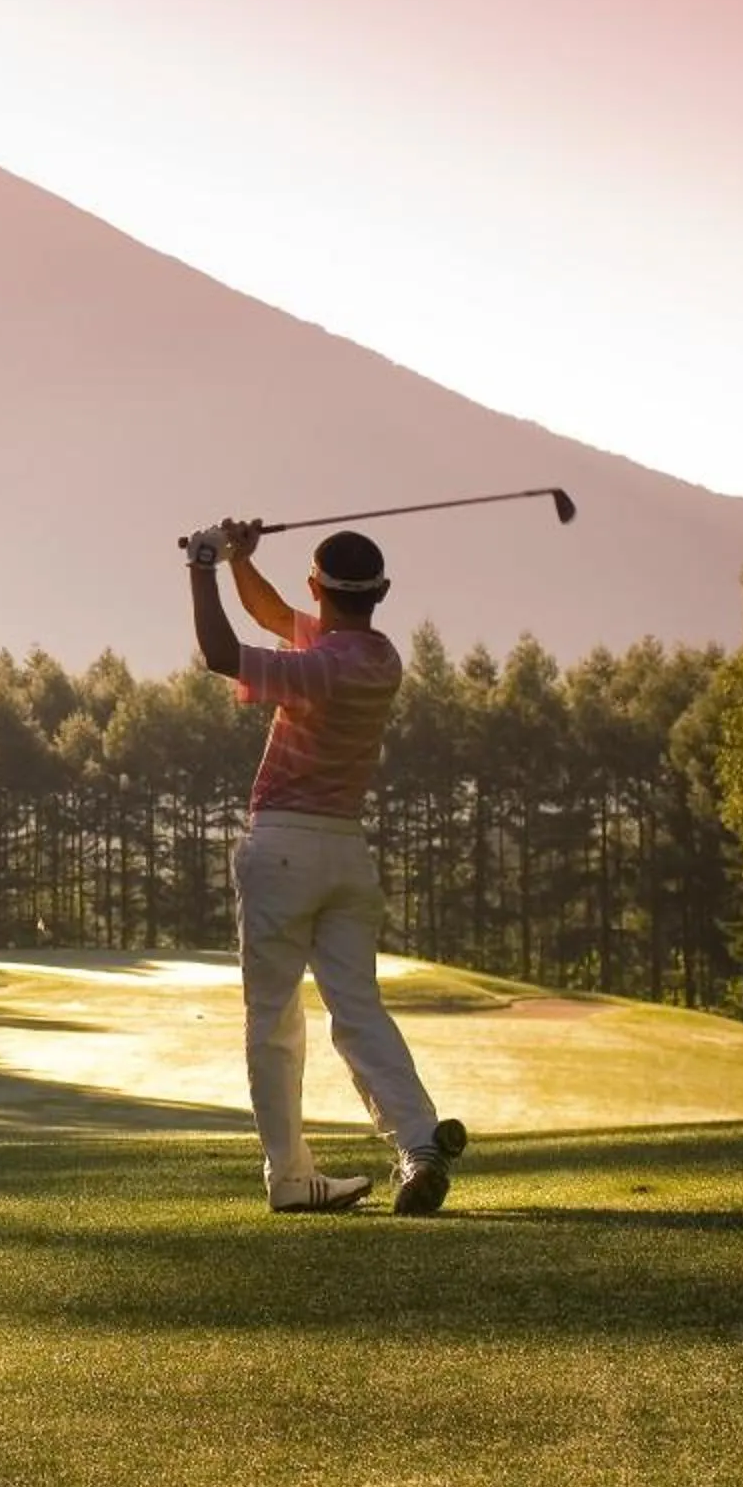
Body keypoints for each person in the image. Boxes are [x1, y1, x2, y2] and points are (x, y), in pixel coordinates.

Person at [182, 518, 464, 1215]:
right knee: (358, 1008)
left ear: (316, 586)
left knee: (273, 1018)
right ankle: (418, 1142)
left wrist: (203, 566)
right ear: (382, 593)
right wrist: (240, 560)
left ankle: (289, 1176)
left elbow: (221, 652)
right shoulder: (379, 658)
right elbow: (272, 614)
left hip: (282, 845)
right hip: (345, 852)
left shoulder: (316, 669)